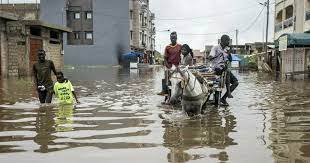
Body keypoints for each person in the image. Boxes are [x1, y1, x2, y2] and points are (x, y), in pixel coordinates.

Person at [209, 35, 238, 106]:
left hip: (224, 69)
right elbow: (211, 56)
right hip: (216, 69)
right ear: (223, 41)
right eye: (228, 40)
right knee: (227, 70)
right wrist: (212, 56)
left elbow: (230, 60)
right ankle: (228, 92)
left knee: (236, 82)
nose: (229, 42)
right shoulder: (215, 48)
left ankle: (223, 98)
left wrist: (229, 54)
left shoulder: (226, 49)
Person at [157, 32, 182, 103]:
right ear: (170, 38)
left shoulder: (180, 46)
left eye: (174, 37)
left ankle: (181, 96)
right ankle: (166, 96)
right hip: (169, 66)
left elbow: (182, 56)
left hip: (178, 66)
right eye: (172, 38)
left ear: (176, 38)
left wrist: (180, 66)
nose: (173, 39)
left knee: (182, 79)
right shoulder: (167, 47)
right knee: (166, 80)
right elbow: (165, 58)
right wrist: (167, 66)